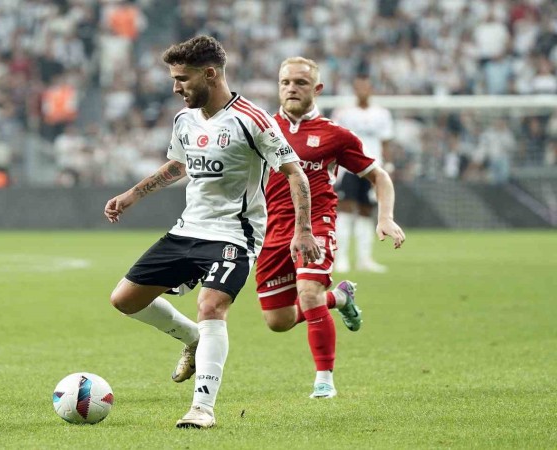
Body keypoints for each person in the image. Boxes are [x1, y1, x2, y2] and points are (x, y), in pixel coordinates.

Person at [104, 36, 320, 429]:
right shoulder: (184, 120)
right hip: (188, 229)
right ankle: (192, 338)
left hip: (234, 235)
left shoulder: (252, 120)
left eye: (182, 79)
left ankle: (202, 408)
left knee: (211, 306)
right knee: (124, 300)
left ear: (209, 74)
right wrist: (132, 195)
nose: (176, 87)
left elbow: (295, 173)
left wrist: (303, 230)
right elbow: (178, 165)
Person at [255, 57, 405, 399]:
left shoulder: (335, 135)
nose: (291, 88)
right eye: (285, 82)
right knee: (278, 321)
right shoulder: (261, 129)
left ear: (317, 89)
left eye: (301, 82)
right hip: (272, 230)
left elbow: (379, 176)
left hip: (317, 225)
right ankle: (339, 297)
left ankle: (324, 380)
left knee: (308, 294)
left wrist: (385, 217)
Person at [332, 74, 396, 273]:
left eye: (365, 87)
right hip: (349, 168)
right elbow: (335, 140)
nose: (362, 91)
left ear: (371, 89)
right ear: (354, 90)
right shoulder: (343, 113)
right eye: (358, 87)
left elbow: (385, 142)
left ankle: (364, 259)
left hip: (373, 169)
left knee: (366, 211)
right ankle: (341, 258)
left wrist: (388, 165)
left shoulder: (382, 114)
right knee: (344, 210)